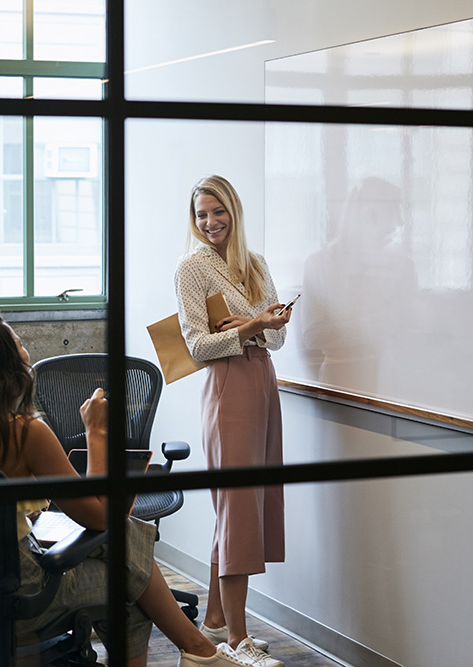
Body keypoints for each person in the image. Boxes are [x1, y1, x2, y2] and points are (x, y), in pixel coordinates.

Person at [0, 309, 251, 667]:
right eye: (19, 344)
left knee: (126, 549)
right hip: (23, 588)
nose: (26, 350)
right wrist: (96, 431)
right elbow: (99, 517)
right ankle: (201, 653)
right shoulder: (24, 431)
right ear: (7, 365)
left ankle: (201, 652)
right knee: (129, 578)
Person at [174, 176, 292, 667]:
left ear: (233, 212)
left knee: (244, 503)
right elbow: (196, 345)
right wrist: (252, 327)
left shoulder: (254, 264)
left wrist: (257, 329)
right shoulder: (191, 268)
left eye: (217, 212)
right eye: (201, 215)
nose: (210, 223)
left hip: (262, 382)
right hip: (227, 387)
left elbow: (279, 339)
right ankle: (240, 642)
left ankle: (216, 622)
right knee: (237, 508)